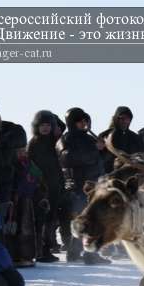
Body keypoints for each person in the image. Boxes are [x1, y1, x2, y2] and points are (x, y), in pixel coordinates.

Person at [56, 107, 110, 265]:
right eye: (80, 121)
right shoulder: (66, 139)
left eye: (86, 120)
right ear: (72, 123)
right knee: (87, 221)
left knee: (87, 220)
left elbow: (99, 160)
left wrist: (103, 149)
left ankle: (75, 252)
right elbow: (69, 159)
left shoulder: (89, 139)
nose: (84, 124)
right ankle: (89, 254)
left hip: (93, 185)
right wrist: (95, 149)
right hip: (78, 186)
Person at [28, 111, 63, 262]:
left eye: (48, 125)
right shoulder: (34, 143)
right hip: (40, 187)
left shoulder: (56, 141)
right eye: (42, 125)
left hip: (55, 184)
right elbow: (29, 165)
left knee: (51, 218)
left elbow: (63, 126)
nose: (45, 128)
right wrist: (38, 181)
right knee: (41, 219)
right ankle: (40, 251)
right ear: (37, 126)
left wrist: (51, 115)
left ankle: (47, 248)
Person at [98, 106, 140, 173]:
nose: (125, 121)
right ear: (116, 119)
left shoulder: (136, 138)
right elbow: (98, 158)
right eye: (122, 118)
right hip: (109, 174)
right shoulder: (105, 135)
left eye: (127, 119)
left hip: (130, 174)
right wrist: (99, 149)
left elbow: (140, 155)